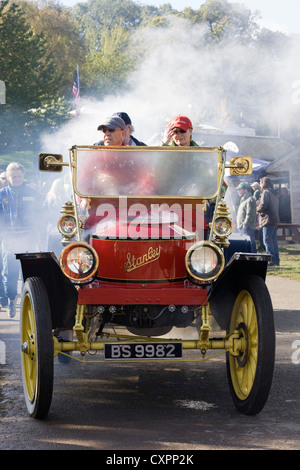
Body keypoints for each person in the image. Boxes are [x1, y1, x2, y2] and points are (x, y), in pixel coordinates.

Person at [0, 162, 44, 317]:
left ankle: (28, 302)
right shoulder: (2, 194)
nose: (16, 179)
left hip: (29, 240)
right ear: (8, 177)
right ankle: (12, 299)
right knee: (9, 276)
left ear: (23, 176)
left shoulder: (33, 193)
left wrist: (39, 236)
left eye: (19, 176)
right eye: (13, 176)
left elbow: (41, 215)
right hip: (9, 241)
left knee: (28, 273)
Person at [257, 176, 280, 266]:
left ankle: (271, 261)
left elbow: (263, 205)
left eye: (260, 183)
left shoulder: (266, 192)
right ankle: (276, 261)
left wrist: (257, 209)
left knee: (267, 241)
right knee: (274, 241)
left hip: (267, 219)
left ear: (263, 183)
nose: (260, 185)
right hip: (274, 219)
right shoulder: (273, 193)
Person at [236, 181, 257, 252]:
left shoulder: (250, 200)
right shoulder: (244, 200)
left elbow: (249, 214)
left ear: (246, 190)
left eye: (240, 189)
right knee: (245, 247)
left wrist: (245, 224)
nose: (238, 191)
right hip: (242, 227)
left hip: (247, 227)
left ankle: (254, 260)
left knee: (250, 245)